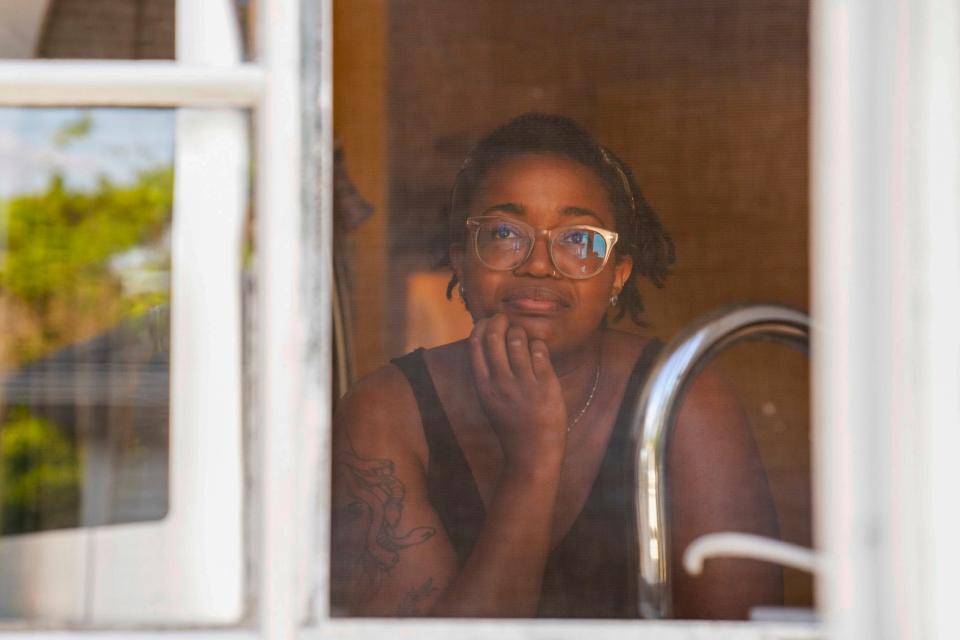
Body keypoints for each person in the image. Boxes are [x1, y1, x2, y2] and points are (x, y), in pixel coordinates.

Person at [330, 113, 782, 619]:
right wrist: (534, 461)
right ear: (461, 259)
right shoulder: (385, 413)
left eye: (578, 239)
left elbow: (742, 629)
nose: (540, 264)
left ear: (617, 275)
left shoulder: (685, 398)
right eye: (505, 233)